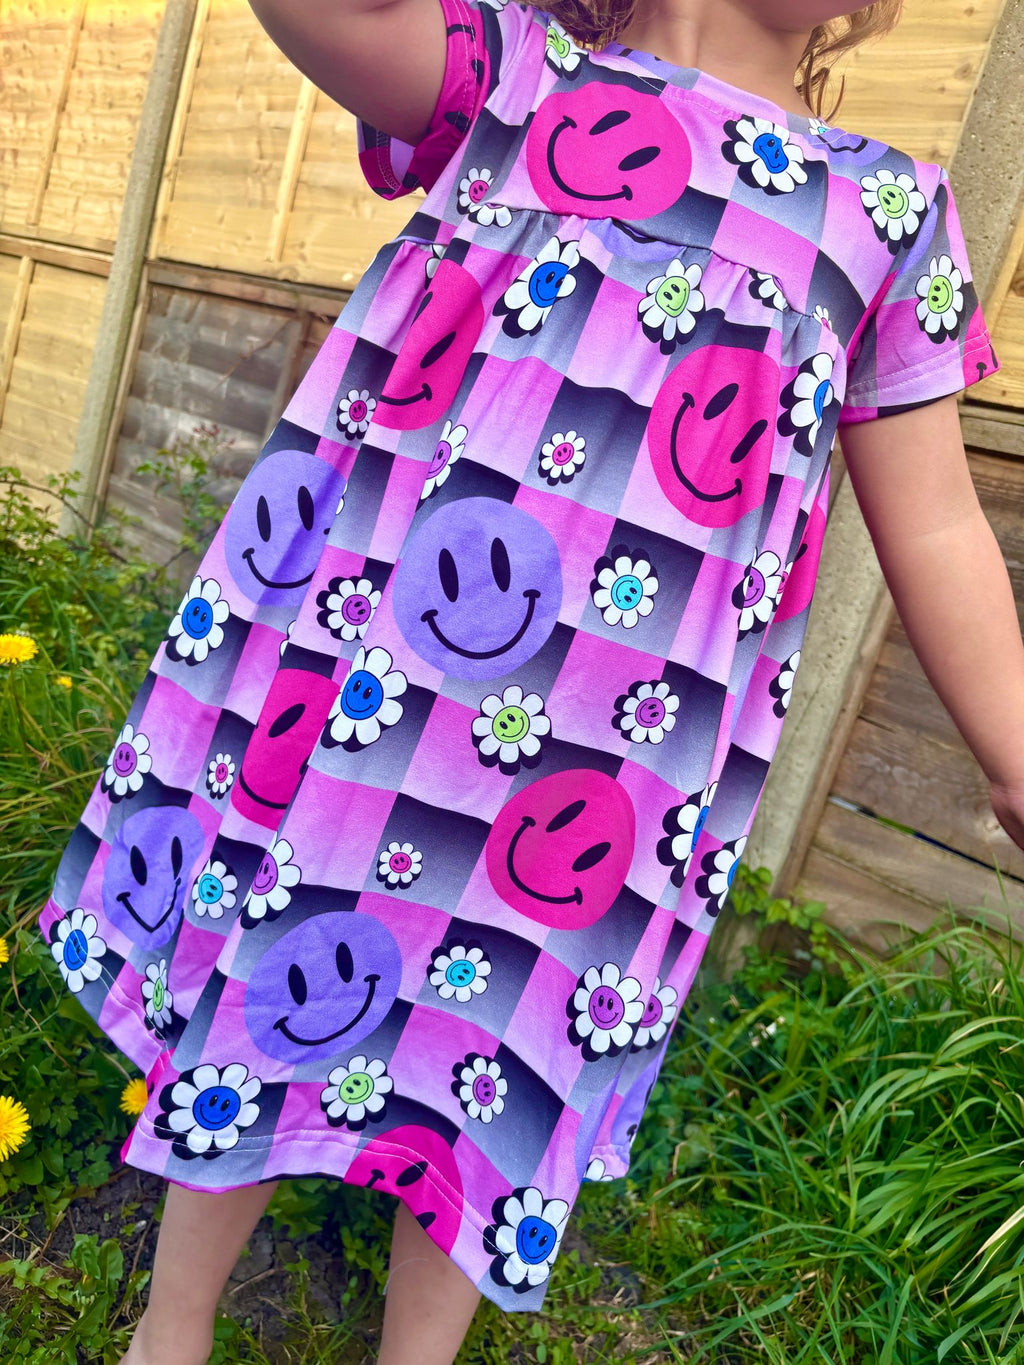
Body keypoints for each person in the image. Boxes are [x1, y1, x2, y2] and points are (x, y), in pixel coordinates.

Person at [36, 0, 1024, 1361]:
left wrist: (1014, 748)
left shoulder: (890, 216)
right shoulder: (509, 75)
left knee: (503, 1052)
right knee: (279, 959)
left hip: (619, 760)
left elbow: (939, 520)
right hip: (379, 692)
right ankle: (172, 1329)